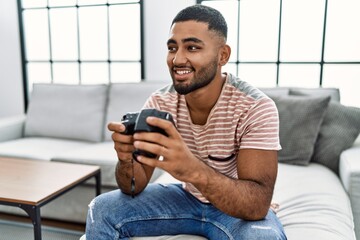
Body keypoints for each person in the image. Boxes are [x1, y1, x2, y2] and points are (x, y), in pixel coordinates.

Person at [85, 4, 287, 240]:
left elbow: (257, 205)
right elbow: (133, 187)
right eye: (172, 48)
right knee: (100, 209)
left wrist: (192, 169)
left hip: (235, 210)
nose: (177, 59)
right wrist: (126, 159)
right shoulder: (160, 102)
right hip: (186, 200)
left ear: (223, 55)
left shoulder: (255, 107)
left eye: (192, 47)